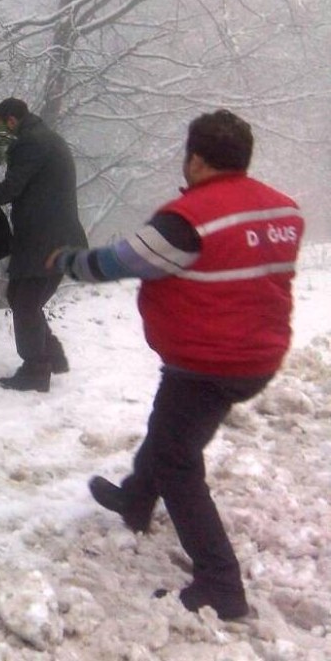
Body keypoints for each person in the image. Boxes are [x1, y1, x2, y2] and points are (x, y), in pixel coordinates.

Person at [48, 109, 304, 621]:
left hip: (209, 362)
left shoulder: (188, 219)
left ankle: (220, 585)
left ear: (197, 158)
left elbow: (123, 260)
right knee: (170, 431)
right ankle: (136, 499)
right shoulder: (282, 210)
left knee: (177, 459)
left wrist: (67, 261)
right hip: (258, 353)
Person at [0, 97, 87, 392]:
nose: (1, 134)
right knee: (21, 297)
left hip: (46, 240)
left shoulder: (30, 143)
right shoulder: (46, 138)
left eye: (0, 127)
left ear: (11, 121)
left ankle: (36, 371)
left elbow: (12, 188)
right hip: (53, 237)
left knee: (25, 303)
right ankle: (52, 357)